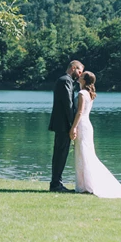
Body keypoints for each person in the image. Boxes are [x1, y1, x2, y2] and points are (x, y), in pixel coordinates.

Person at [71, 71, 121, 199]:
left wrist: (73, 128)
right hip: (87, 125)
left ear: (84, 80)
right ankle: (84, 185)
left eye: (82, 75)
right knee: (85, 154)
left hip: (81, 124)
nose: (79, 76)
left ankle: (86, 185)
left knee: (83, 154)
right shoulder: (89, 94)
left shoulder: (81, 93)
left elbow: (79, 112)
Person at [47, 60, 84, 192]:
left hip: (63, 124)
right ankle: (56, 184)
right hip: (63, 124)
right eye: (79, 71)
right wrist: (72, 125)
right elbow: (68, 105)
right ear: (73, 68)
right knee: (60, 154)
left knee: (60, 154)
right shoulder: (65, 80)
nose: (80, 75)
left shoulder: (65, 81)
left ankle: (56, 182)